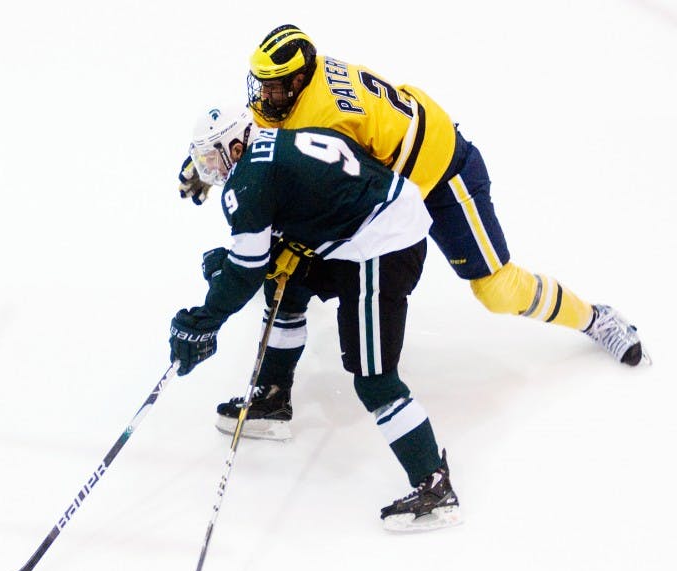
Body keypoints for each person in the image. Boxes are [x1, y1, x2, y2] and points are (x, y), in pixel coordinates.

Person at [178, 25, 648, 441]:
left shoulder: (322, 118)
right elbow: (265, 138)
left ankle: (594, 318)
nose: (262, 97)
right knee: (288, 271)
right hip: (393, 181)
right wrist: (210, 161)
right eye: (260, 85)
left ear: (299, 80)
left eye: (273, 87)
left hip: (442, 175)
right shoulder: (304, 91)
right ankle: (274, 395)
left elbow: (327, 190)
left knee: (497, 290)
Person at [169, 105, 460, 531]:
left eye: (212, 159)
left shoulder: (248, 182)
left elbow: (245, 267)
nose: (209, 170)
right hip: (361, 223)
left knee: (374, 377)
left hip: (383, 244)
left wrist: (203, 321)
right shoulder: (270, 144)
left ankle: (435, 486)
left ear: (235, 143)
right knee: (286, 284)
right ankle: (273, 399)